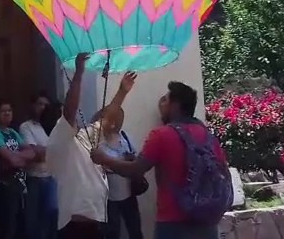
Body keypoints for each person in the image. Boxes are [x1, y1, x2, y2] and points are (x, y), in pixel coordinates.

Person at [94, 81, 233, 239]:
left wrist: (104, 159)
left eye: (165, 100)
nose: (161, 104)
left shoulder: (161, 135)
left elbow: (135, 169)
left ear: (175, 105)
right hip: (206, 223)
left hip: (173, 224)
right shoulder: (208, 136)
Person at [47, 53, 136, 239]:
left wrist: (122, 91)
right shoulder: (60, 139)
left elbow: (108, 118)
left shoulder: (84, 137)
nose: (78, 119)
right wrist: (79, 72)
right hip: (76, 225)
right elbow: (70, 111)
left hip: (96, 221)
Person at [0, 98, 38, 239]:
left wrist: (17, 157)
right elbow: (12, 160)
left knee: (22, 225)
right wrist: (19, 158)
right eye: (3, 111)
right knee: (8, 227)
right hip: (3, 185)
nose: (7, 114)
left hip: (18, 184)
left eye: (9, 111)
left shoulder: (12, 132)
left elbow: (32, 153)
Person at [98, 107, 144, 239]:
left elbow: (136, 160)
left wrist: (126, 161)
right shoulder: (99, 142)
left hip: (129, 194)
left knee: (135, 229)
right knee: (112, 232)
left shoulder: (125, 137)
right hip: (109, 197)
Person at [22, 91, 58, 239]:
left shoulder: (52, 126)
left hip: (52, 177)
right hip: (34, 178)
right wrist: (50, 151)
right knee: (34, 219)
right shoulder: (26, 127)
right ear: (33, 106)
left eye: (46, 105)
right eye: (40, 104)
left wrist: (45, 151)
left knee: (52, 216)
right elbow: (33, 153)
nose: (43, 107)